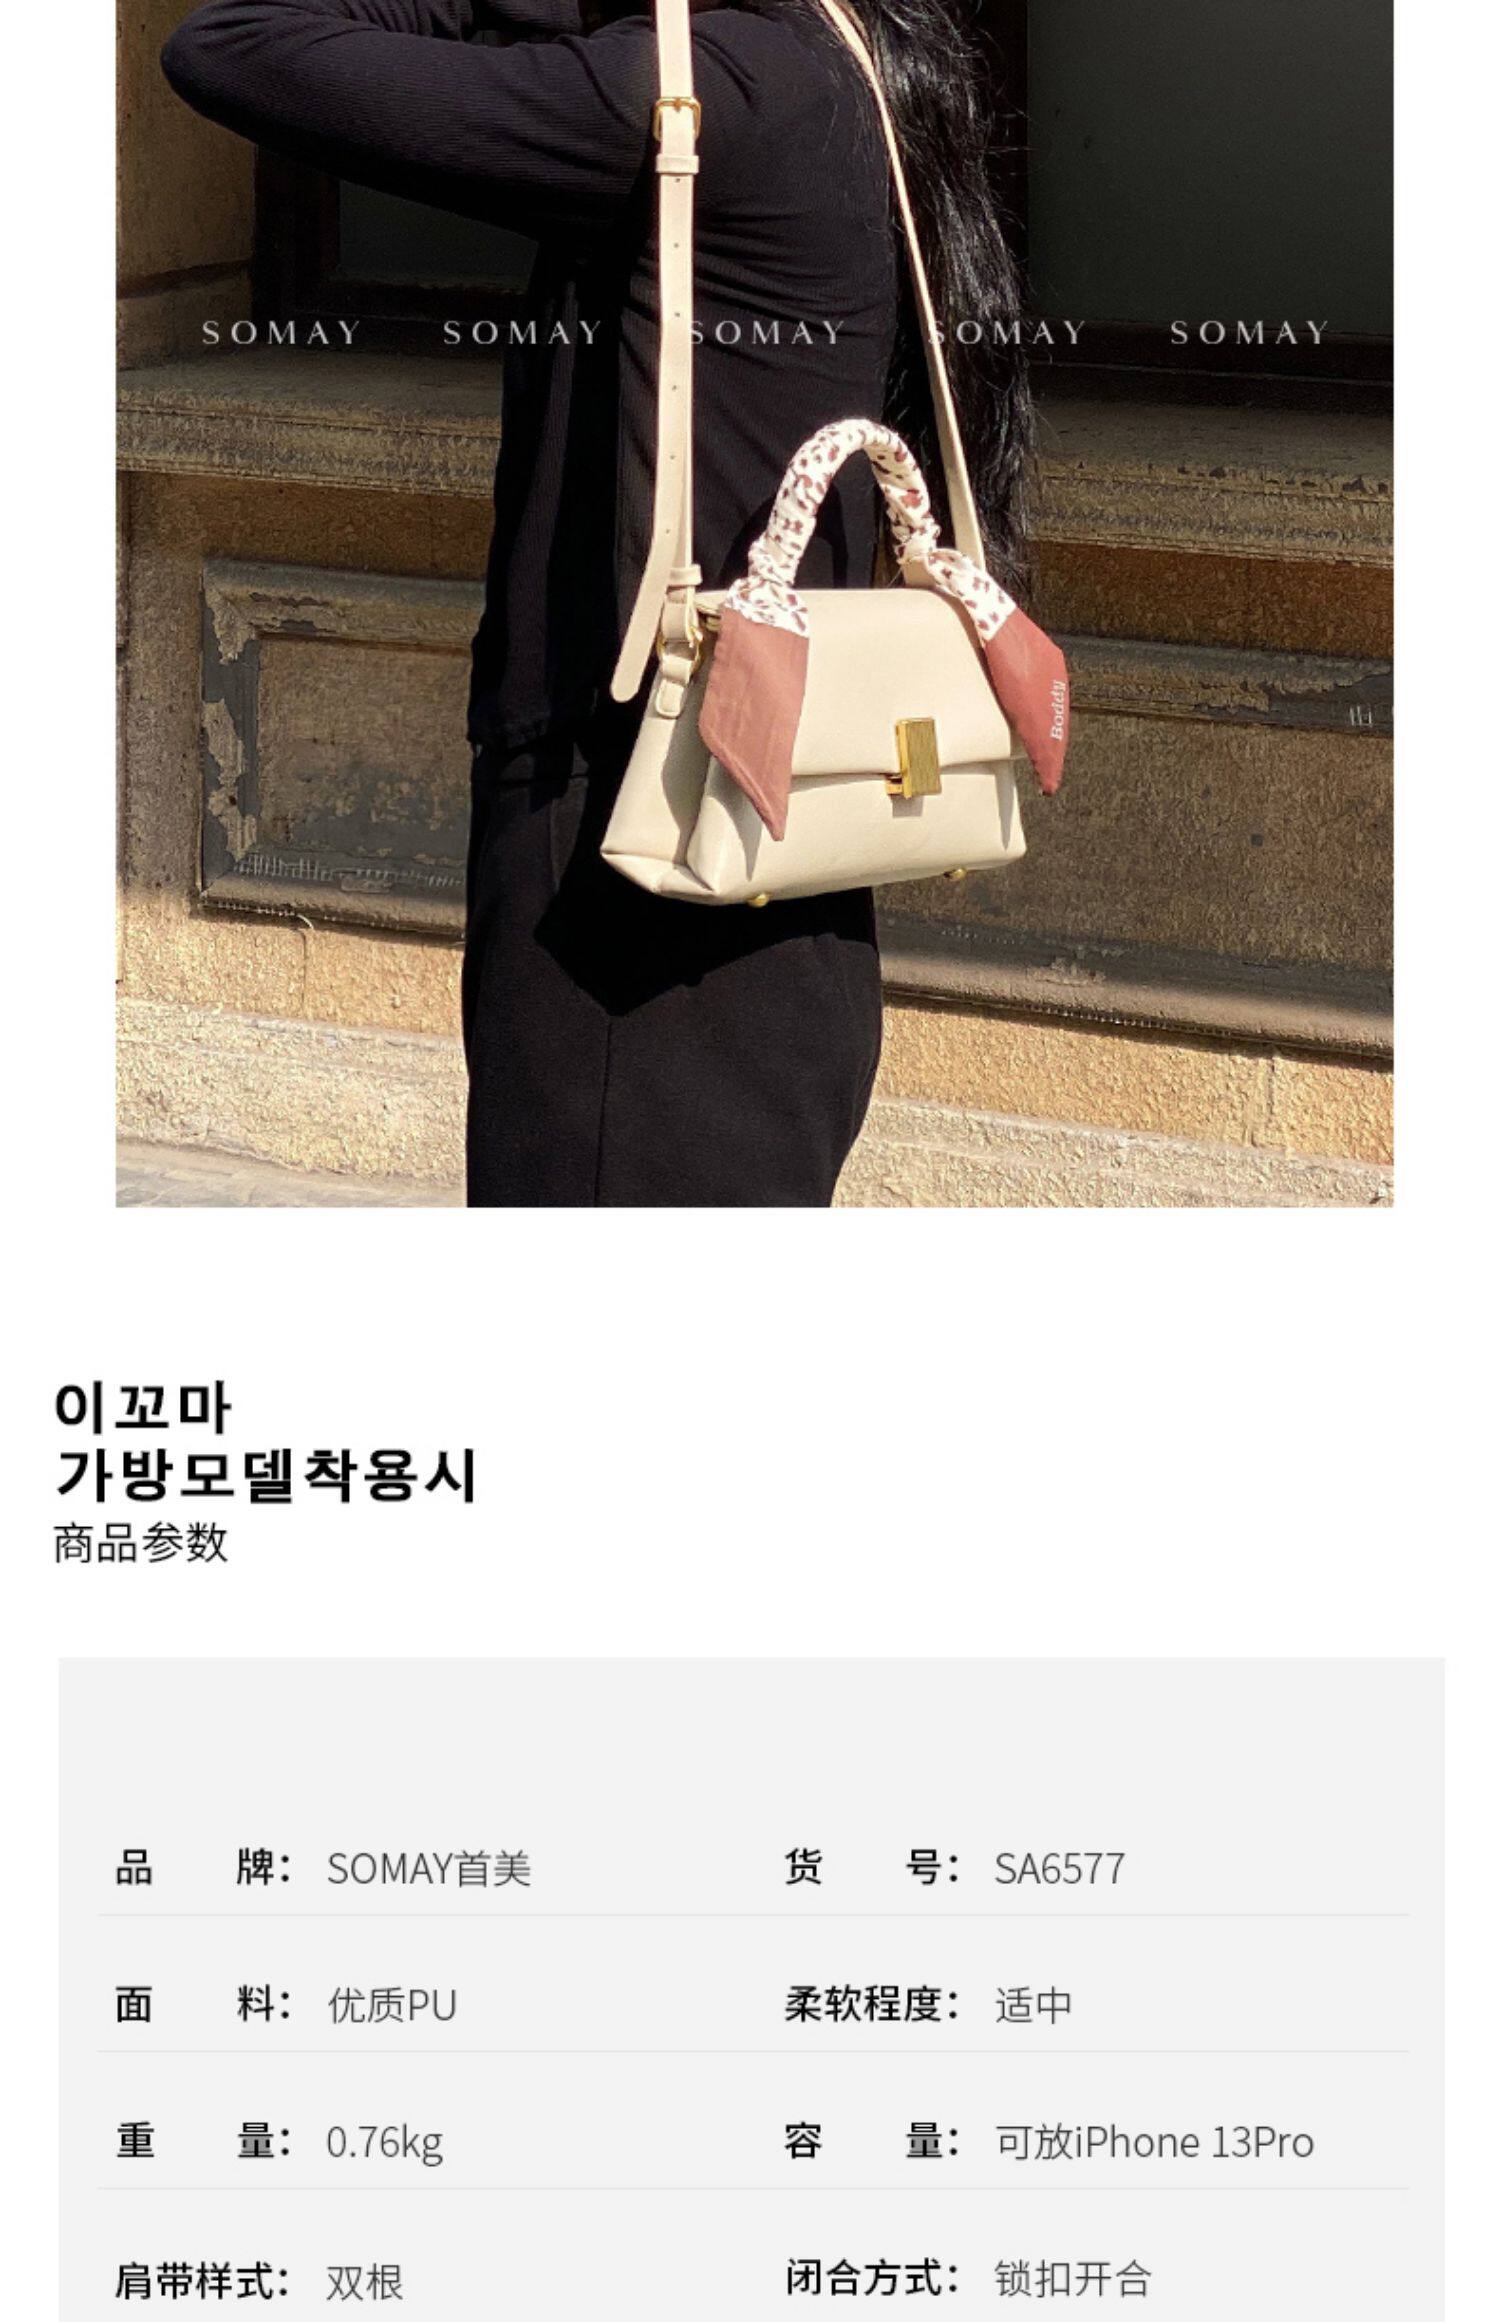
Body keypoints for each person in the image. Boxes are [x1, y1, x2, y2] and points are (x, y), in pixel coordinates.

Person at [161, 0, 1032, 1206]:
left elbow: (231, 44)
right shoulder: (842, 67)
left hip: (628, 873)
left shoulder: (684, 96)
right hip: (783, 876)